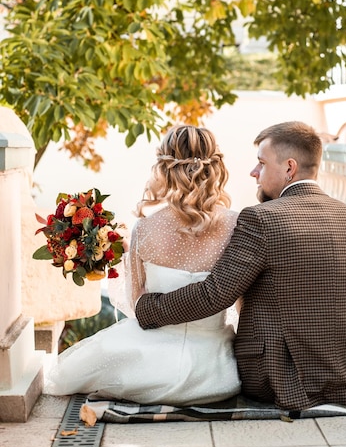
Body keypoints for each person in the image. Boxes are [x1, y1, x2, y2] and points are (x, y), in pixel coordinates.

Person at [136, 121, 346, 411]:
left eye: (261, 163)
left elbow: (215, 295)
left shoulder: (261, 219)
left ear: (289, 168)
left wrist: (146, 308)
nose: (253, 172)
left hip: (274, 377)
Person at [44, 125, 241, 405]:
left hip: (151, 363)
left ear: (163, 167)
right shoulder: (237, 225)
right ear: (216, 166)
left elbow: (137, 305)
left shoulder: (145, 229)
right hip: (218, 371)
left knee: (75, 370)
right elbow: (243, 304)